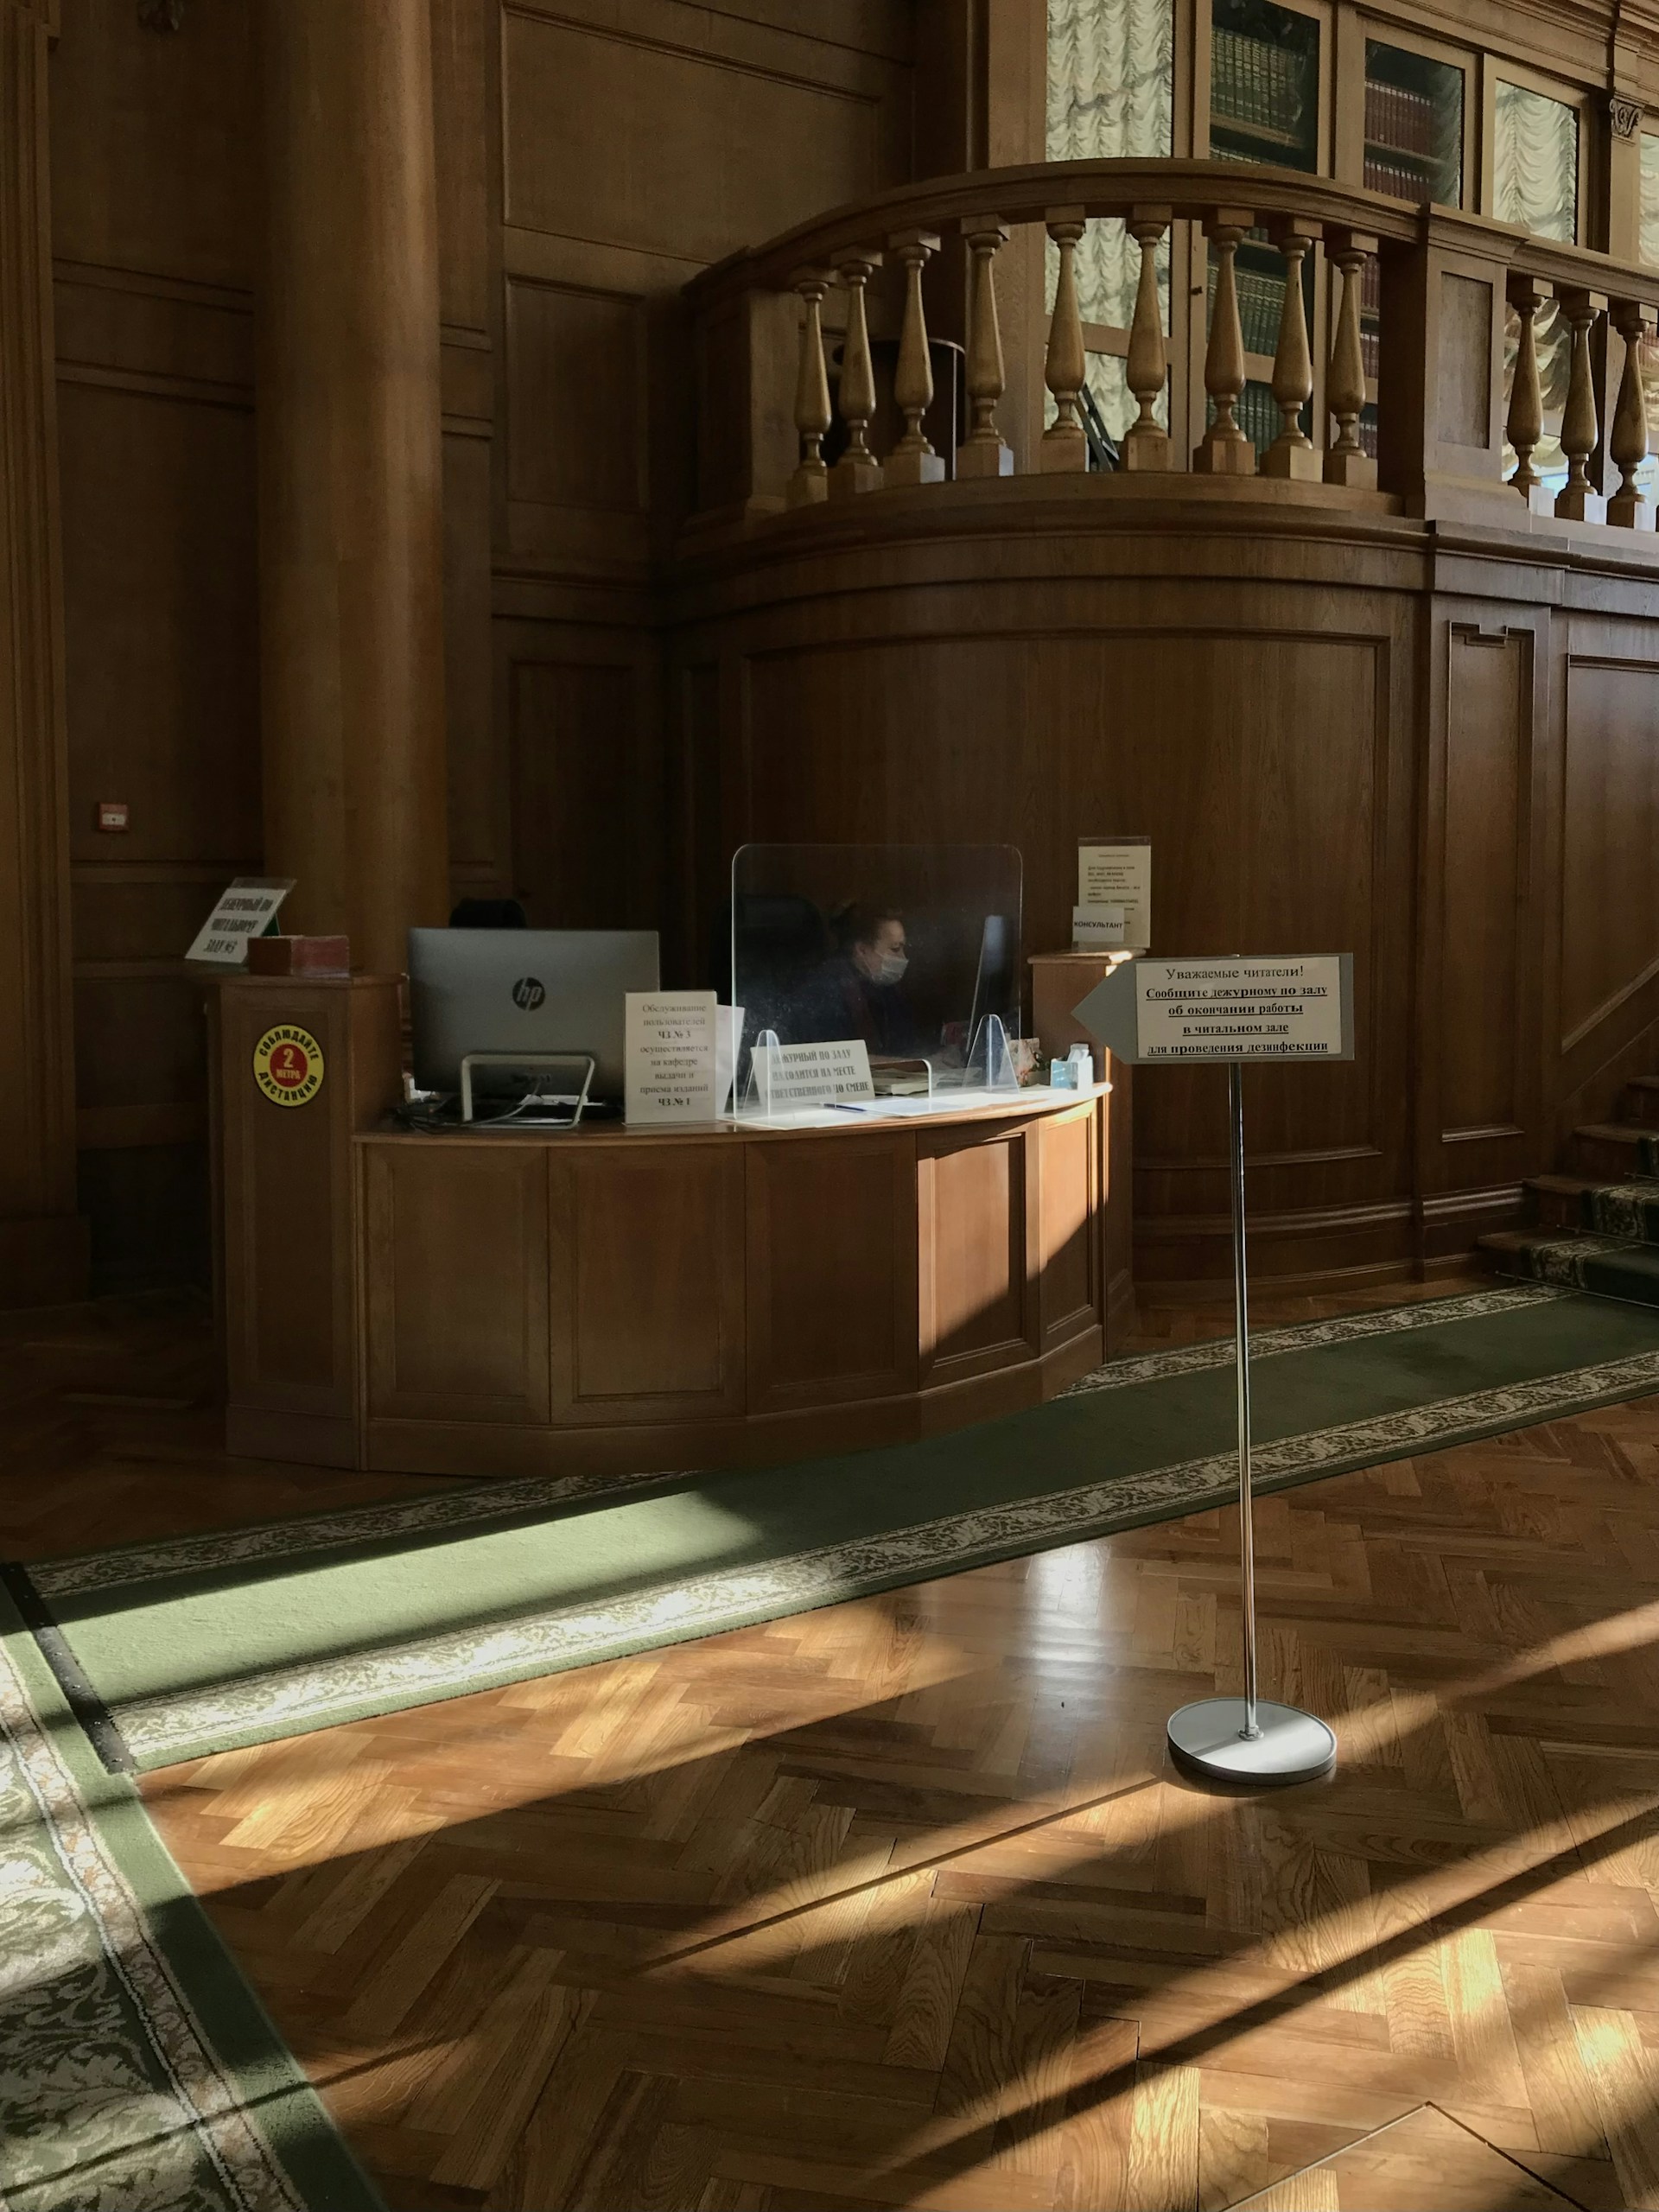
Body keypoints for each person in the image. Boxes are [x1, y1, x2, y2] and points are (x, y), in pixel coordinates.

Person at [821, 904, 918, 1054]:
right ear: (862, 950)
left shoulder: (884, 986)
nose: (902, 958)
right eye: (895, 949)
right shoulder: (826, 992)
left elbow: (906, 1046)